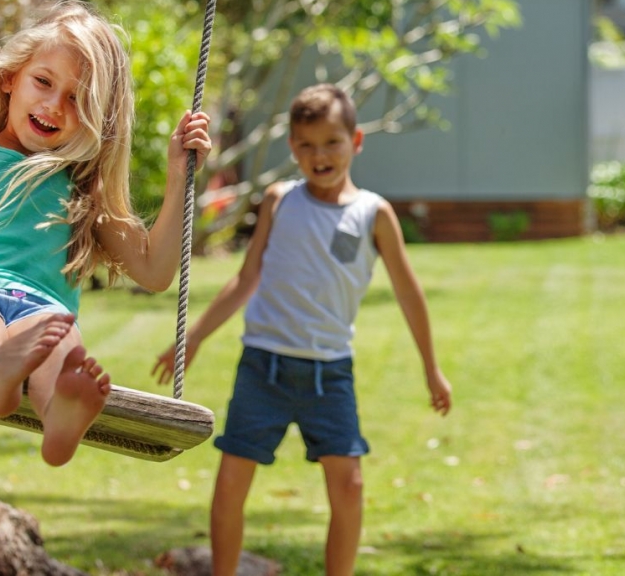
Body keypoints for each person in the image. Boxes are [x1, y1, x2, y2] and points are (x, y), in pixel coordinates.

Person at [0, 3, 210, 467]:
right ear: (9, 78)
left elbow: (154, 271)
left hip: (40, 309)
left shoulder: (82, 189)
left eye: (77, 99)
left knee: (58, 340)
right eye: (43, 81)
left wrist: (179, 177)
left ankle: (58, 417)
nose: (53, 106)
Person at [153, 83, 452, 576]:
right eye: (307, 145)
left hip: (329, 375)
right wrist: (194, 338)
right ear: (292, 147)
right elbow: (245, 278)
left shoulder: (374, 214)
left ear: (355, 142)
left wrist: (432, 370)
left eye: (332, 142)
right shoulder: (278, 200)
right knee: (230, 483)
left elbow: (409, 294)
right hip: (263, 368)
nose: (320, 155)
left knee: (350, 485)